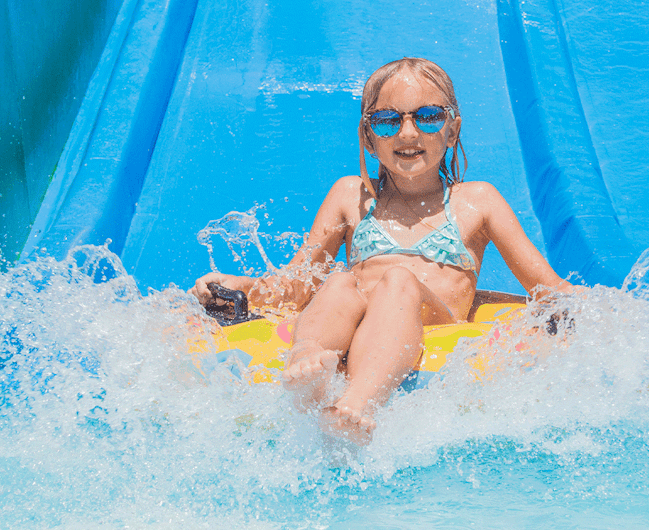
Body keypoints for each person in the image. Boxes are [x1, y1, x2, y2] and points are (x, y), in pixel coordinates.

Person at [192, 57, 577, 442]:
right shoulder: (350, 196)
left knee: (397, 281)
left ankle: (356, 404)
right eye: (388, 121)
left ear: (452, 129)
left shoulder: (478, 201)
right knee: (340, 282)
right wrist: (240, 285)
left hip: (432, 323)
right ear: (368, 137)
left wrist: (608, 311)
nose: (408, 133)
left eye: (428, 116)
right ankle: (306, 361)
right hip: (357, 319)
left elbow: (548, 288)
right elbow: (296, 286)